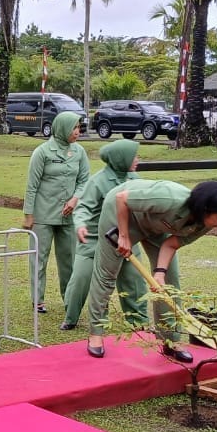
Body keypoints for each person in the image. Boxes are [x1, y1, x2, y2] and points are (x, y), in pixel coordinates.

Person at [85, 180, 217, 360]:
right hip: (123, 214)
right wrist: (124, 236)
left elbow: (171, 244)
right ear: (205, 209)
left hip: (157, 227)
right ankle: (95, 333)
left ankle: (170, 340)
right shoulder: (169, 198)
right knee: (107, 275)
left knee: (168, 284)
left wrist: (160, 273)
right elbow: (122, 198)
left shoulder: (204, 224)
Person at [60, 139, 147, 332]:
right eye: (134, 156)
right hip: (94, 239)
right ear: (121, 158)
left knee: (134, 281)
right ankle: (71, 317)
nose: (137, 160)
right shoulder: (98, 181)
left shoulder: (134, 179)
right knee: (81, 280)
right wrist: (80, 225)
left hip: (125, 239)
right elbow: (83, 207)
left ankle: (139, 322)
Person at [22, 111, 88, 314]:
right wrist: (28, 214)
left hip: (68, 215)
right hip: (43, 214)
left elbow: (84, 181)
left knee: (69, 259)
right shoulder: (42, 152)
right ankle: (37, 300)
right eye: (74, 128)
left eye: (78, 127)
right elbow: (32, 186)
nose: (77, 132)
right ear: (62, 128)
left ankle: (69, 299)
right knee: (39, 259)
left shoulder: (79, 152)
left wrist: (75, 199)